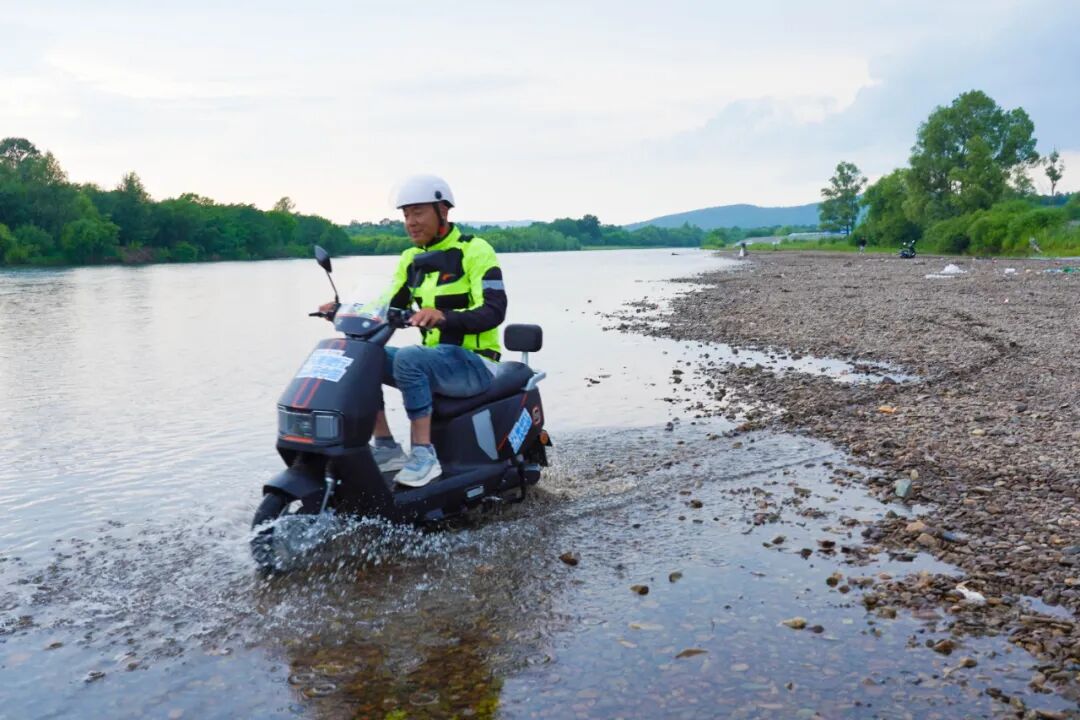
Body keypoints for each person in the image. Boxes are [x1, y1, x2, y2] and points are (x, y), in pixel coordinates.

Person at [320, 175, 507, 487]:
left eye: (418, 212)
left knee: (408, 358)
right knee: (363, 357)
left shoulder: (476, 251)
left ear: (443, 211)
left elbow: (494, 311)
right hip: (436, 361)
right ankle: (387, 448)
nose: (410, 222)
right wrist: (343, 312)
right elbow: (388, 306)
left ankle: (424, 455)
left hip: (475, 363)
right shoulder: (411, 259)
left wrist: (444, 316)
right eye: (406, 215)